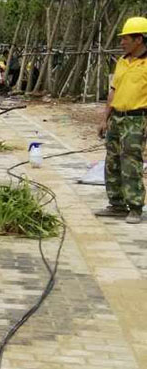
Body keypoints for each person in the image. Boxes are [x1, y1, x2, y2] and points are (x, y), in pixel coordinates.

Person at [96, 16, 147, 224]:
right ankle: (116, 204)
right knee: (112, 161)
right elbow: (113, 91)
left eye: (126, 38)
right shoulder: (123, 62)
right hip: (117, 118)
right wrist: (104, 118)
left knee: (131, 162)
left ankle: (135, 206)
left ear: (139, 40)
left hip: (136, 119)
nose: (122, 42)